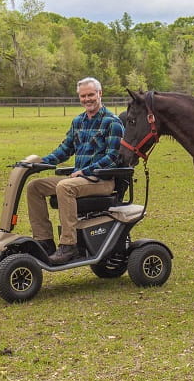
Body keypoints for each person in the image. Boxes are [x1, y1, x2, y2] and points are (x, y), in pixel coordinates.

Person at [27, 77, 125, 265]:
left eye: (90, 95)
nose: (87, 99)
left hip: (101, 181)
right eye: (83, 96)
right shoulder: (78, 121)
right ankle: (44, 242)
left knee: (65, 187)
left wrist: (86, 171)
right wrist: (40, 163)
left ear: (100, 94)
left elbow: (113, 158)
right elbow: (64, 150)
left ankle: (68, 245)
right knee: (34, 187)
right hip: (79, 179)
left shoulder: (112, 122)